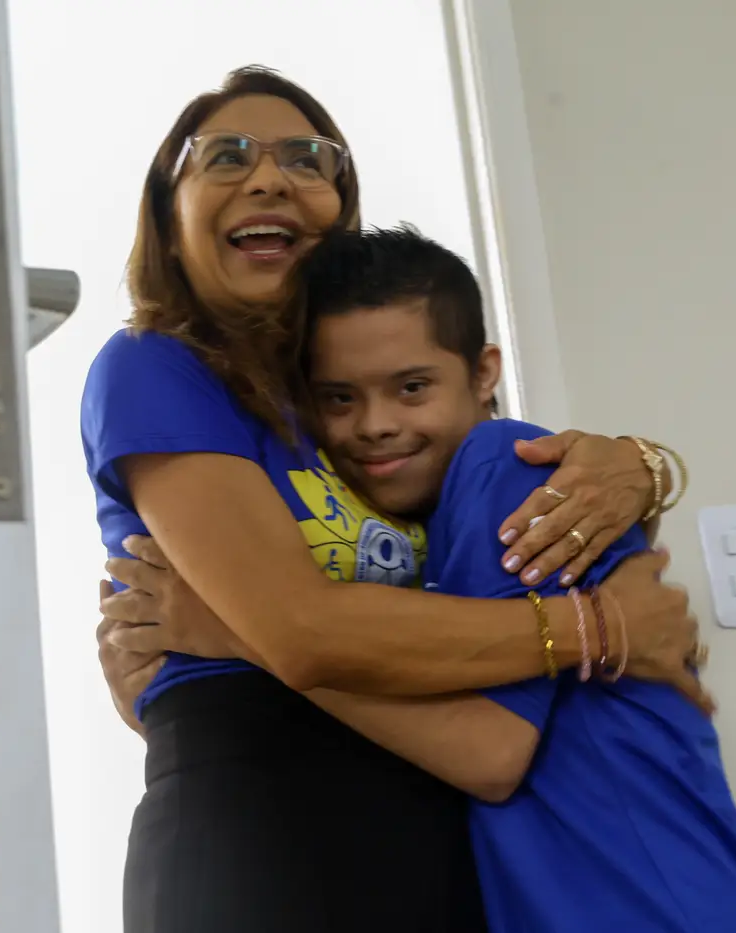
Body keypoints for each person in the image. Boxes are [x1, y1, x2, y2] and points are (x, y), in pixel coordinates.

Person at [81, 65, 701, 932]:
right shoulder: (156, 366)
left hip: (435, 816)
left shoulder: (356, 410)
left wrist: (645, 463)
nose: (268, 176)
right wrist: (601, 630)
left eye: (306, 158)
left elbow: (522, 518)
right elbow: (300, 632)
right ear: (168, 214)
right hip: (259, 826)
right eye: (223, 156)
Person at [102, 225, 736, 932]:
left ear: (484, 371)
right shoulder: (425, 541)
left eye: (412, 387)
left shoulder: (508, 467)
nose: (375, 424)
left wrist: (240, 630)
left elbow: (489, 751)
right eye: (337, 399)